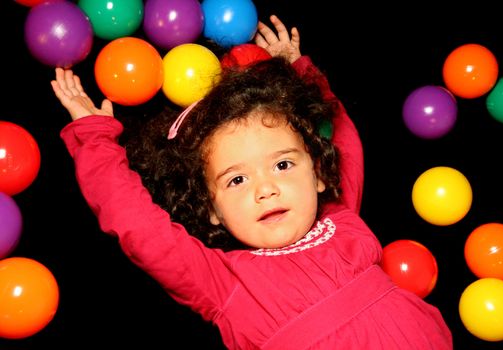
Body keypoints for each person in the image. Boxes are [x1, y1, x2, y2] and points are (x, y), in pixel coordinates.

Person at [51, 15, 452, 350]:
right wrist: (95, 138)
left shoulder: (342, 218)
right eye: (237, 179)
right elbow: (138, 226)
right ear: (211, 209)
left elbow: (344, 139)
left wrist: (302, 73)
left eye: (282, 165)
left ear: (316, 171)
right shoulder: (221, 282)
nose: (265, 189)